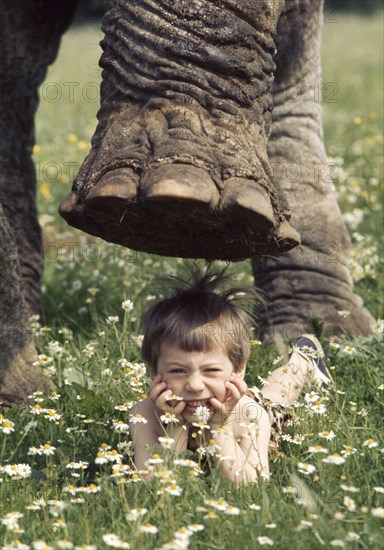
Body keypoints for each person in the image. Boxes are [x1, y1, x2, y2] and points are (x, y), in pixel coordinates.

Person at [130, 267, 332, 484]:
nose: (195, 385)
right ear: (154, 371)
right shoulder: (145, 414)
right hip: (197, 411)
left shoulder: (250, 413)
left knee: (279, 390)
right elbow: (151, 482)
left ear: (237, 369)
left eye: (210, 370)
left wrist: (219, 428)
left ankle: (305, 356)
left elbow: (249, 483)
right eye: (178, 371)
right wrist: (175, 425)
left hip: (241, 408)